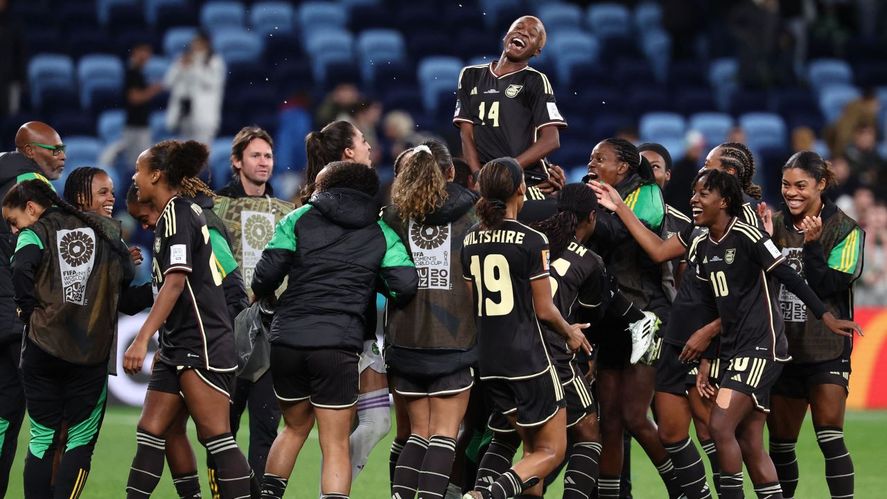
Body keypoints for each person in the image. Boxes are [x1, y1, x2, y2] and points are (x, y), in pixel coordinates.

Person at [688, 169, 860, 499]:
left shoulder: (750, 236)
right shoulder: (702, 244)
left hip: (762, 348)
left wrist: (826, 316)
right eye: (694, 193)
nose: (694, 200)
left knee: (720, 426)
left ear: (723, 201)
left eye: (702, 194)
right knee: (752, 440)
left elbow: (791, 278)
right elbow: (714, 307)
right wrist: (710, 356)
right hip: (736, 349)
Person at [251, 161, 417, 498]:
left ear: (326, 187)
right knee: (335, 443)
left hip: (287, 340)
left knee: (294, 427)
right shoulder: (381, 232)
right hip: (338, 344)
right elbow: (405, 285)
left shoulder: (298, 218)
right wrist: (371, 279)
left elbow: (263, 278)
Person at [123, 140, 252, 499]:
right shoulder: (171, 216)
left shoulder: (179, 213)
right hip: (178, 343)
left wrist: (140, 338)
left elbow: (176, 282)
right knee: (152, 430)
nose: (134, 176)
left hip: (203, 342)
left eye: (138, 170)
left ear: (155, 175)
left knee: (216, 437)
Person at [461, 157, 591, 499]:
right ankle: (483, 496)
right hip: (527, 359)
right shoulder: (533, 240)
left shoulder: (470, 240)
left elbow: (472, 304)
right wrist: (570, 332)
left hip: (488, 361)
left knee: (531, 452)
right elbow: (545, 309)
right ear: (521, 188)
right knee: (552, 452)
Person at [5, 179, 134, 498]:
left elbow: (22, 266)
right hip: (88, 354)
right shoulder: (106, 231)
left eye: (13, 221)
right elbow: (127, 285)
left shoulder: (36, 232)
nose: (13, 230)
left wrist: (26, 308)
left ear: (31, 208)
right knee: (79, 440)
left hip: (41, 349)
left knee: (41, 438)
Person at [585, 138, 683, 498]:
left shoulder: (648, 194)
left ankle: (684, 488)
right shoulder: (596, 192)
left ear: (623, 167)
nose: (591, 163)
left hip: (647, 317)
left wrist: (592, 209)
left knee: (634, 416)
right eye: (591, 157)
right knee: (608, 418)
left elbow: (622, 233)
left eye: (600, 158)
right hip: (611, 318)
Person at [383, 142, 478, 498]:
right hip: (454, 339)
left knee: (417, 433)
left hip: (406, 340)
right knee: (443, 435)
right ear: (450, 172)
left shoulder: (394, 217)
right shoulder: (474, 216)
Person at [299, 120, 392, 483]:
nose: (370, 147)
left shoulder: (312, 205)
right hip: (334, 333)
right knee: (308, 430)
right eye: (364, 141)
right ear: (349, 153)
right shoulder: (357, 211)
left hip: (357, 328)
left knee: (376, 422)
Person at [767, 151, 863, 499]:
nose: (791, 193)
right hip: (782, 350)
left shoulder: (846, 230)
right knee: (780, 445)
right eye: (785, 185)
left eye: (801, 186)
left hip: (826, 348)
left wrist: (811, 246)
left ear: (821, 184)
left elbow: (827, 288)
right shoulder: (773, 226)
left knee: (830, 437)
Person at [213, 126, 291, 484]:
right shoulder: (214, 209)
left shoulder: (288, 213)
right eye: (256, 155)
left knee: (266, 430)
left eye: (268, 156)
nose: (263, 163)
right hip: (226, 333)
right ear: (236, 161)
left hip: (271, 335)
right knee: (220, 434)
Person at [0, 120, 66, 495]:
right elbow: (60, 244)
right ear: (29, 152)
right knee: (51, 425)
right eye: (53, 150)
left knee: (3, 420)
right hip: (20, 315)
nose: (62, 157)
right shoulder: (34, 188)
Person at [453, 15, 566, 189]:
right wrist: (478, 176)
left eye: (532, 33)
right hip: (485, 179)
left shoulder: (535, 80)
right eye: (519, 27)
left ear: (537, 51)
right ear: (506, 35)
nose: (524, 32)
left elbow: (551, 139)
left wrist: (506, 170)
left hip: (526, 180)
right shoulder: (470, 75)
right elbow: (466, 134)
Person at [99, 43, 163, 170]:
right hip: (135, 127)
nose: (147, 56)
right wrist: (153, 90)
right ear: (136, 52)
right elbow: (134, 98)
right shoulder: (132, 72)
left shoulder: (140, 72)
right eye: (144, 51)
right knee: (137, 164)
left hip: (141, 125)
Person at [164, 31, 225, 145]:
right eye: (195, 42)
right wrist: (179, 66)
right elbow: (168, 83)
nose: (196, 45)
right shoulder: (183, 59)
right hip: (184, 115)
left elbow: (212, 83)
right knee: (184, 153)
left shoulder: (215, 62)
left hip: (204, 117)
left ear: (207, 43)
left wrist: (195, 66)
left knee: (202, 152)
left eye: (199, 42)